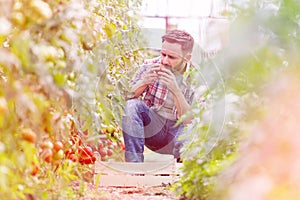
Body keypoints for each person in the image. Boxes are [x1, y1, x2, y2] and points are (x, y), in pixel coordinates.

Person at [122, 29, 195, 162]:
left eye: (172, 57)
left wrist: (176, 90)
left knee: (193, 125)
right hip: (154, 132)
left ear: (187, 58)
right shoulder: (150, 66)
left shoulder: (196, 78)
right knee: (131, 105)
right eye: (163, 54)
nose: (165, 61)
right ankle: (134, 168)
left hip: (178, 136)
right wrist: (143, 81)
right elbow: (125, 98)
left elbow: (190, 120)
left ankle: (182, 172)